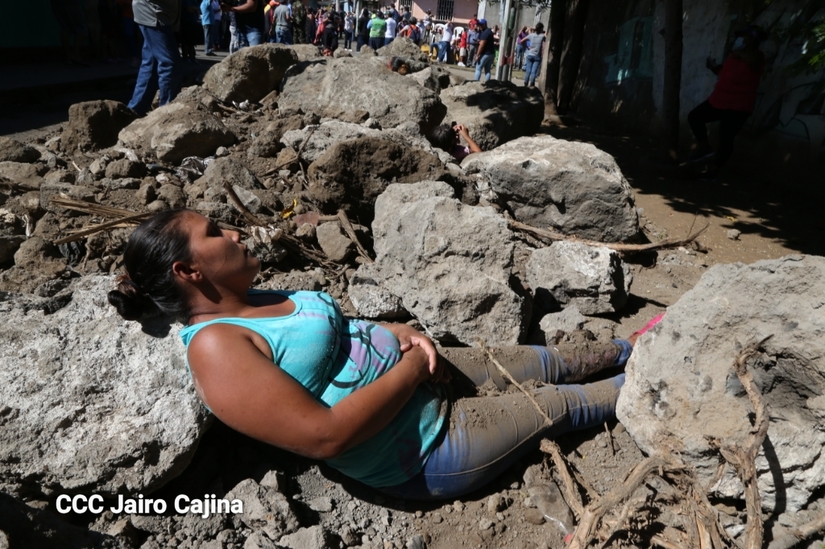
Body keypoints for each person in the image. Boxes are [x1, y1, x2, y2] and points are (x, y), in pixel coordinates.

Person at [108, 210, 640, 500]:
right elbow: (324, 436)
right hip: (425, 446)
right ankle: (653, 386)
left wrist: (396, 331)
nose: (235, 232)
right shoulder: (215, 348)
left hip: (428, 374)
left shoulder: (249, 296)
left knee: (549, 361)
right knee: (564, 403)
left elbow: (335, 329)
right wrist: (409, 368)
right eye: (215, 233)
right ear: (188, 271)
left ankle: (636, 347)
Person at [687, 25, 767, 180]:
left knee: (726, 137)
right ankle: (704, 147)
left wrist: (739, 53)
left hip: (739, 105)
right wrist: (714, 68)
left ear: (752, 39)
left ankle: (714, 170)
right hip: (719, 100)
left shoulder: (757, 56)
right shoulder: (734, 55)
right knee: (694, 117)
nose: (739, 39)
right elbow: (724, 73)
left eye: (744, 36)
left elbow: (753, 62)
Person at [127, 0, 182, 116]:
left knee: (151, 63)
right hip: (153, 11)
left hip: (156, 11)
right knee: (170, 63)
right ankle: (167, 112)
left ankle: (135, 110)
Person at [522, 22, 545, 87]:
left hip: (530, 54)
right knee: (533, 71)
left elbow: (522, 41)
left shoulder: (531, 35)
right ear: (541, 29)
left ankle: (525, 83)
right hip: (537, 56)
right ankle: (532, 84)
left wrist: (527, 47)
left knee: (528, 70)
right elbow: (546, 35)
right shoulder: (542, 36)